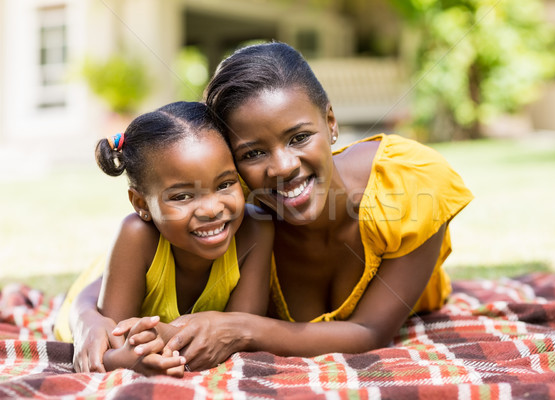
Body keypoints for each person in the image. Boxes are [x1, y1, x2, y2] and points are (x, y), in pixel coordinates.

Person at [71, 42, 473, 373]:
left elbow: (370, 332)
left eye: (299, 137)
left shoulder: (409, 183)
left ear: (331, 122)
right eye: (254, 152)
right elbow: (130, 262)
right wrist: (86, 315)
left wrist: (240, 328)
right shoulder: (236, 202)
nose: (282, 167)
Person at [53, 101, 273, 375]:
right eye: (182, 196)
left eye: (225, 184)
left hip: (111, 278)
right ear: (141, 204)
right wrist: (126, 357)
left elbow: (241, 329)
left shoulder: (255, 230)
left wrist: (164, 334)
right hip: (93, 291)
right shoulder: (136, 236)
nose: (212, 209)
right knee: (87, 292)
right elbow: (112, 346)